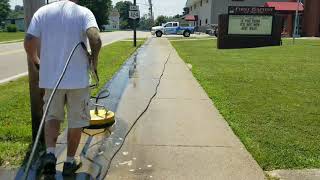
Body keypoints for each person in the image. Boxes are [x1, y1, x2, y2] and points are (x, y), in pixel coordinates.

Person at [24, 0, 101, 176]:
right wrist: (94, 63)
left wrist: (37, 62)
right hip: (78, 82)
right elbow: (95, 39)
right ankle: (69, 162)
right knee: (76, 121)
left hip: (52, 80)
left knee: (52, 117)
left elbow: (29, 41)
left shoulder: (43, 12)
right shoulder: (83, 12)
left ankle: (50, 154)